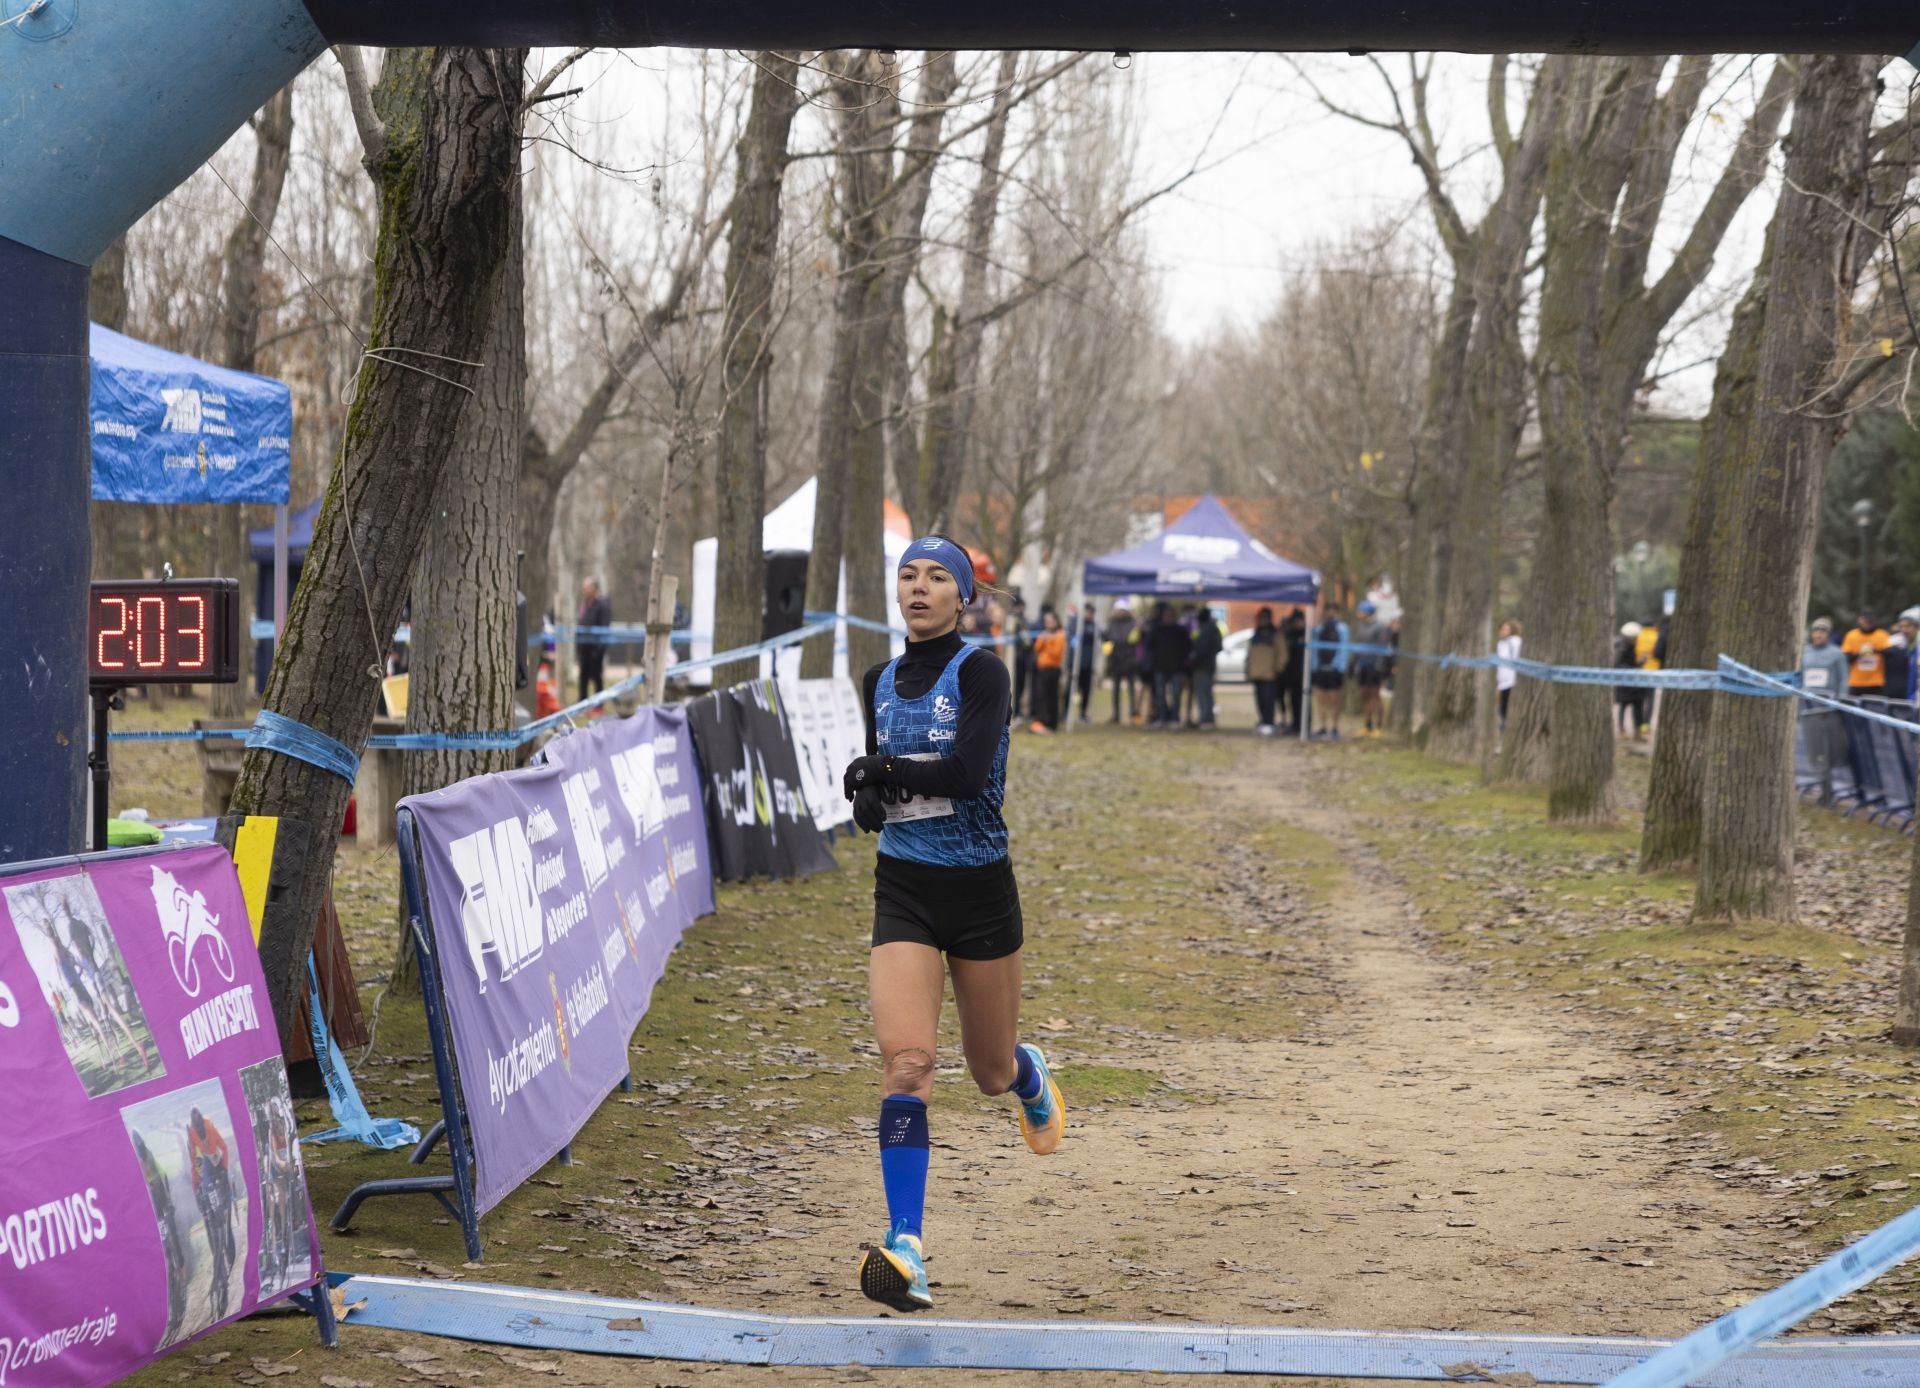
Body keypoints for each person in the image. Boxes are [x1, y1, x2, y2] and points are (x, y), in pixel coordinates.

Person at [840, 536, 1063, 1313]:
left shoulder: (984, 673)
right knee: (907, 1064)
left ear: (962, 597)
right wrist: (869, 797)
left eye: (938, 578)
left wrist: (885, 773)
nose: (920, 588)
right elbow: (881, 770)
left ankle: (1027, 1073)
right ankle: (907, 1247)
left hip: (979, 892)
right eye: (908, 575)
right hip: (904, 888)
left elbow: (967, 775)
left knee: (988, 1071)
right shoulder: (876, 678)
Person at [1802, 617, 1851, 803]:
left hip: (1828, 709)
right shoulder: (1805, 652)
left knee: (1829, 751)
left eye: (1822, 632)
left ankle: (1828, 790)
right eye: (1816, 631)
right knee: (1814, 750)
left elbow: (1843, 680)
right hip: (1808, 707)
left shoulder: (1836, 654)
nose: (1818, 635)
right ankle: (1822, 787)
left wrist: (1838, 703)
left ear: (1828, 635)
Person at [1146, 603, 1192, 729]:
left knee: (1176, 694)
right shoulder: (1157, 630)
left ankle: (1174, 719)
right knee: (1160, 695)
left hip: (1176, 668)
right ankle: (1161, 718)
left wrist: (1182, 663)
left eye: (1171, 616)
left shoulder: (1180, 631)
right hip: (1160, 667)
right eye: (1167, 616)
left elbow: (1188, 648)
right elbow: (1149, 647)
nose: (1169, 618)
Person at [1349, 600, 1391, 737]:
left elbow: (1383, 648)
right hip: (1363, 665)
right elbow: (1358, 645)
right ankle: (1367, 725)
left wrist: (1380, 666)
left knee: (1375, 696)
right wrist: (1353, 662)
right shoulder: (1360, 626)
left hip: (1375, 666)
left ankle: (1378, 726)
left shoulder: (1380, 627)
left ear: (1367, 613)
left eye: (1360, 611)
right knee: (1364, 694)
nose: (1358, 613)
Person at [1309, 605, 1350, 740]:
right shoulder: (1319, 629)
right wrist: (1314, 667)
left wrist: (1340, 668)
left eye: (1333, 610)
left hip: (1334, 670)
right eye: (1328, 610)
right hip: (1321, 669)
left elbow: (1344, 648)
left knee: (1334, 700)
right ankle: (1322, 727)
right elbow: (1314, 649)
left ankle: (1335, 727)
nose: (1330, 613)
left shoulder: (1342, 629)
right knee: (1321, 700)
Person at [1246, 607, 1282, 736]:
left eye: (1264, 618)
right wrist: (1248, 669)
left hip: (1269, 674)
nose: (1261, 621)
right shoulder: (1256, 635)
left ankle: (1269, 722)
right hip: (1256, 673)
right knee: (1260, 700)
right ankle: (1263, 721)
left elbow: (1282, 654)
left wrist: (1277, 669)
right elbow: (1250, 654)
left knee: (1269, 700)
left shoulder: (1275, 635)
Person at [1030, 609, 1066, 734]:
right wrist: (1043, 640)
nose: (1048, 624)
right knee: (1041, 695)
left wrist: (1048, 641)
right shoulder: (1044, 634)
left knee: (1051, 697)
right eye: (1046, 622)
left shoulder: (1060, 635)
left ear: (1056, 622)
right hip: (1042, 669)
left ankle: (1052, 722)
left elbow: (1056, 653)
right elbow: (1037, 648)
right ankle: (1041, 720)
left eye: (1050, 621)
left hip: (1053, 669)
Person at [576, 577, 612, 703]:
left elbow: (604, 627)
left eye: (587, 587)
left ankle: (598, 703)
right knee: (583, 676)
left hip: (595, 649)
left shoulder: (603, 605)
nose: (584, 590)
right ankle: (582, 701)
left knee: (596, 676)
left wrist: (599, 648)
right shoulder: (584, 604)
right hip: (584, 647)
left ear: (594, 588)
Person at [1842, 609, 1890, 695]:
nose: (1867, 623)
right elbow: (1846, 658)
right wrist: (1859, 654)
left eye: (1870, 621)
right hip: (1856, 682)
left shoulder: (1882, 635)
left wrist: (1875, 651)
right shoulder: (1851, 635)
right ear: (1860, 620)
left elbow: (1889, 654)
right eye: (1865, 620)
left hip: (1876, 682)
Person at [1190, 607, 1223, 729]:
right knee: (1207, 693)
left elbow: (1201, 649)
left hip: (1203, 666)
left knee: (1203, 693)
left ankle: (1205, 719)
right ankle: (1208, 718)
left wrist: (1195, 657)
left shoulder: (1207, 630)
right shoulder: (1214, 629)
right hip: (1209, 665)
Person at [1104, 602, 1136, 723]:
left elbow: (1135, 640)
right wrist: (1108, 654)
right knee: (1115, 689)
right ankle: (1116, 714)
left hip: (1129, 659)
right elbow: (1107, 640)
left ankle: (1133, 713)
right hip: (1115, 659)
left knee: (1131, 689)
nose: (1121, 612)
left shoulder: (1132, 623)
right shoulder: (1111, 623)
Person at [1614, 622, 1645, 740]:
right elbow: (1618, 665)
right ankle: (1622, 730)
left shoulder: (1628, 646)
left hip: (1632, 683)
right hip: (1626, 683)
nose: (1637, 639)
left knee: (1637, 707)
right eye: (1636, 637)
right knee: (1624, 706)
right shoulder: (1621, 648)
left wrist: (1639, 663)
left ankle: (1637, 732)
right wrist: (1634, 669)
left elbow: (1627, 664)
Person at [1279, 608, 1307, 734]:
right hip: (1291, 674)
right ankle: (1295, 723)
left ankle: (1304, 724)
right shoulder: (1290, 634)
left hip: (1303, 674)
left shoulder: (1307, 634)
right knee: (1293, 700)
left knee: (1303, 701)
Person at [1072, 601, 1099, 723]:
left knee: (1086, 689)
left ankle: (1083, 713)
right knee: (1072, 689)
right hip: (1076, 663)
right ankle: (1067, 711)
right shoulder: (1076, 623)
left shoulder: (1094, 625)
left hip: (1088, 663)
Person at [1007, 596, 1033, 721]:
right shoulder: (1015, 619)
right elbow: (1024, 640)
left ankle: (1017, 710)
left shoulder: (1019, 619)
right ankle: (1015, 710)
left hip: (1020, 657)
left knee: (1019, 685)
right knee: (1016, 685)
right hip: (1017, 657)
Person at [1495, 619, 1523, 732]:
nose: (1503, 631)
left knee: (1509, 711)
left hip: (1512, 682)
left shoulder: (1515, 642)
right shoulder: (1501, 644)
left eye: (1506, 629)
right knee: (1502, 712)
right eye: (1502, 628)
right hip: (1502, 683)